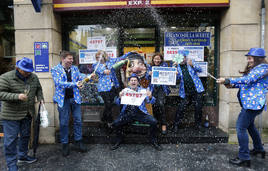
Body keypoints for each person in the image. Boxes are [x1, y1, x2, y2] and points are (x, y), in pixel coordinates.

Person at [217, 48, 268, 168]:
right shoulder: (256, 69)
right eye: (248, 57)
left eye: (250, 58)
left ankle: (244, 157)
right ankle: (259, 149)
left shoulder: (263, 69)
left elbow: (248, 80)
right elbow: (248, 83)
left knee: (240, 128)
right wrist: (231, 85)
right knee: (250, 126)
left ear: (258, 58)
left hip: (252, 105)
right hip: (252, 104)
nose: (248, 60)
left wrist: (229, 80)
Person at [0, 57, 44, 171]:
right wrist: (17, 96)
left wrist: (40, 98)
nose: (27, 73)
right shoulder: (6, 77)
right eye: (25, 71)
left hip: (27, 113)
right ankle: (12, 165)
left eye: (29, 71)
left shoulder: (33, 77)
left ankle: (23, 156)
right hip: (11, 115)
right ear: (18, 68)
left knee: (25, 136)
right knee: (11, 141)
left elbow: (39, 88)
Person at [110, 73, 162, 151]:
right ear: (129, 82)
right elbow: (117, 103)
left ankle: (153, 140)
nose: (133, 82)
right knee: (116, 123)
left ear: (138, 82)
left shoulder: (143, 91)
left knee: (154, 122)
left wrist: (150, 96)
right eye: (132, 80)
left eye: (135, 80)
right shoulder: (125, 91)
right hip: (127, 112)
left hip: (140, 113)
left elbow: (151, 102)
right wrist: (120, 97)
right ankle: (119, 139)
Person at [51, 50, 87, 157]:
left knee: (78, 121)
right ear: (63, 59)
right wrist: (75, 84)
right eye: (69, 59)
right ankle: (65, 144)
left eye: (72, 59)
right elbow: (59, 83)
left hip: (75, 99)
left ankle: (78, 141)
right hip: (63, 100)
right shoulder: (55, 69)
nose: (72, 61)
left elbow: (81, 77)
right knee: (64, 123)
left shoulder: (75, 68)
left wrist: (89, 77)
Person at [94, 50, 132, 126]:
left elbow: (120, 58)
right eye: (98, 57)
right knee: (108, 104)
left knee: (110, 104)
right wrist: (106, 70)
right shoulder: (95, 65)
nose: (99, 58)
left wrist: (130, 53)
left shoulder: (110, 61)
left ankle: (104, 119)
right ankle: (110, 122)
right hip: (103, 88)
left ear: (104, 56)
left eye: (101, 56)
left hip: (114, 86)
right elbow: (104, 71)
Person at [173, 51, 204, 132]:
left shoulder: (191, 62)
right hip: (185, 92)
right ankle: (176, 125)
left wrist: (192, 65)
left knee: (198, 108)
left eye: (183, 57)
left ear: (185, 57)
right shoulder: (176, 66)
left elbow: (200, 70)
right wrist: (175, 72)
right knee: (181, 107)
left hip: (197, 90)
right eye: (180, 58)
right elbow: (175, 81)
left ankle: (198, 125)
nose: (182, 59)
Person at [147, 52, 170, 135]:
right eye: (155, 59)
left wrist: (173, 74)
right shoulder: (149, 66)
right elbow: (145, 77)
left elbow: (169, 75)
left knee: (160, 104)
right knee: (153, 105)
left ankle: (163, 124)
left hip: (161, 88)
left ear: (161, 59)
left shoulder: (164, 66)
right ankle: (155, 123)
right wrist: (148, 74)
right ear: (153, 59)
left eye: (158, 59)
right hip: (152, 89)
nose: (157, 60)